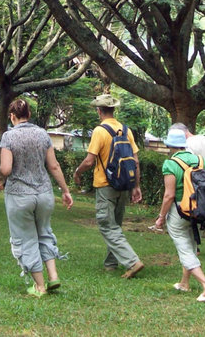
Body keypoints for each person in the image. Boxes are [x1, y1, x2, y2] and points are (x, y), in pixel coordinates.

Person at [0, 98, 74, 298]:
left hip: (19, 196)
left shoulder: (8, 137)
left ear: (12, 116)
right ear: (29, 115)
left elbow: (6, 169)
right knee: (44, 232)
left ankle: (39, 287)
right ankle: (53, 275)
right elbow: (54, 166)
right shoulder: (43, 135)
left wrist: (2, 171)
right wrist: (66, 191)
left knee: (25, 238)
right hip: (44, 194)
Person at [73, 93, 145, 279]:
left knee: (106, 225)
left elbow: (89, 161)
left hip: (106, 185)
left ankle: (132, 262)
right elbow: (135, 160)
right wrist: (136, 186)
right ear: (113, 109)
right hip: (124, 184)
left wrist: (77, 172)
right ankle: (110, 264)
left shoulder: (100, 131)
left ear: (99, 111)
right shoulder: (126, 130)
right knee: (116, 226)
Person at [154, 128, 205, 302]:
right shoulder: (200, 161)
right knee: (190, 245)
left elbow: (169, 195)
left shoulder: (170, 164)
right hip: (198, 211)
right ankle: (184, 283)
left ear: (169, 144)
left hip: (179, 211)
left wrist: (161, 217)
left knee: (184, 249)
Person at [171, 122, 205, 260]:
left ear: (181, 133)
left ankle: (194, 248)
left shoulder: (186, 145)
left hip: (195, 183)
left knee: (193, 213)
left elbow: (188, 165)